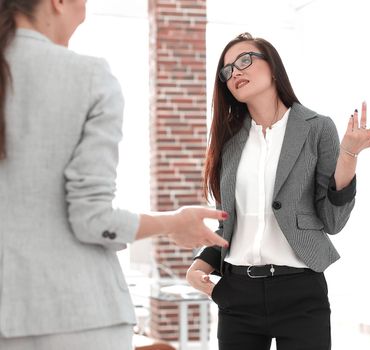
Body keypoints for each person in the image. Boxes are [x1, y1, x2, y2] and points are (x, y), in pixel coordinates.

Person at [0, 1, 229, 349]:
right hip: (77, 314)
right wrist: (174, 222)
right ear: (58, 3)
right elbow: (91, 218)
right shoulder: (88, 76)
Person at [186, 32, 370, 350]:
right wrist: (201, 264)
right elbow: (230, 224)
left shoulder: (317, 128)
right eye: (227, 70)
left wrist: (348, 155)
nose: (235, 72)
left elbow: (332, 221)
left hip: (300, 293)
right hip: (238, 293)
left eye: (244, 60)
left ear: (273, 65)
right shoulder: (229, 141)